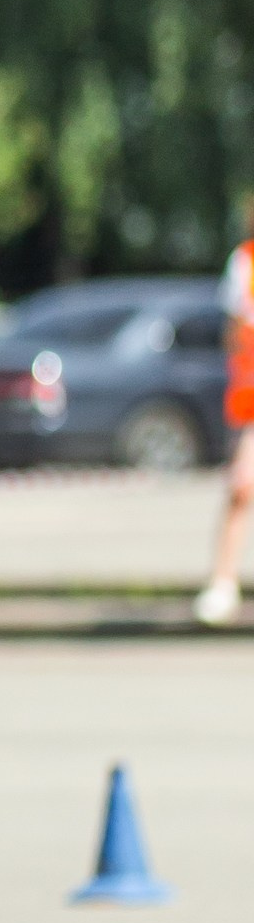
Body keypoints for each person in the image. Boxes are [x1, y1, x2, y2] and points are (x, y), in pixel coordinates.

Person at [195, 202, 254, 624]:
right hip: (251, 397)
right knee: (241, 485)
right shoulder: (245, 262)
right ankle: (224, 579)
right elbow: (233, 334)